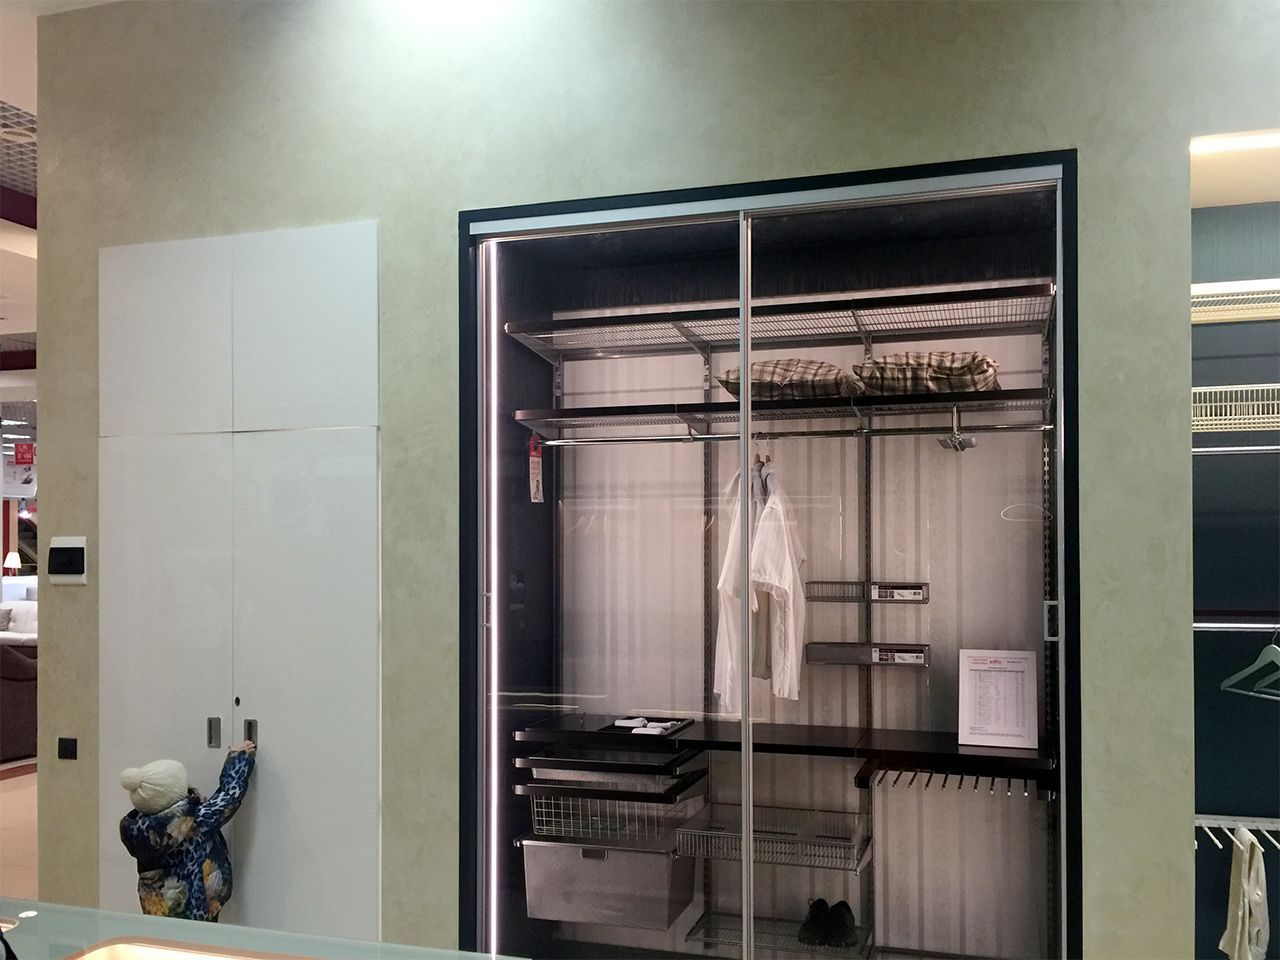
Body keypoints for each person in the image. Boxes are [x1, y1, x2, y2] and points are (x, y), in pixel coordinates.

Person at [118, 740, 256, 921]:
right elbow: (229, 796)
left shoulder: (139, 829)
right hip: (197, 907)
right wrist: (239, 757)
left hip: (160, 908)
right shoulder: (196, 822)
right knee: (200, 939)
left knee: (168, 938)